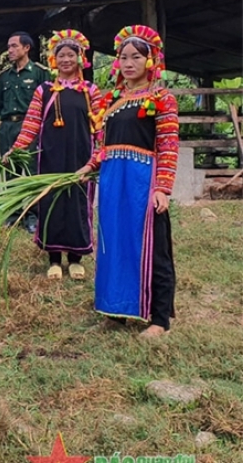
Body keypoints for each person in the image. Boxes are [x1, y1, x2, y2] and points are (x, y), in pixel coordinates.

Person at [77, 25, 179, 339]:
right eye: (124, 56)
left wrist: (162, 187)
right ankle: (117, 310)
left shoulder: (162, 99)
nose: (129, 62)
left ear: (151, 61)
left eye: (137, 56)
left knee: (151, 247)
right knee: (114, 244)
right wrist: (88, 166)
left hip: (141, 182)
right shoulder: (114, 100)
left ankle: (159, 319)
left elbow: (168, 145)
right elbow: (105, 145)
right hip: (112, 181)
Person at [4, 30, 100, 280]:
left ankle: (77, 257)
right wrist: (16, 149)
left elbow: (100, 127)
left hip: (82, 159)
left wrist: (97, 158)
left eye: (71, 55)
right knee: (52, 205)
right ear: (54, 60)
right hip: (50, 158)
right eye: (62, 55)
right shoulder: (44, 90)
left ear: (81, 58)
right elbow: (31, 124)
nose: (66, 59)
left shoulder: (90, 90)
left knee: (78, 204)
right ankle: (54, 258)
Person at [0, 32, 49, 232]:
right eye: (8, 47)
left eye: (14, 46)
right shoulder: (5, 76)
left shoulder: (39, 73)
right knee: (9, 173)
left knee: (32, 172)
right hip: (7, 128)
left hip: (29, 127)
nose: (10, 51)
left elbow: (48, 104)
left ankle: (32, 216)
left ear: (26, 48)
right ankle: (14, 214)